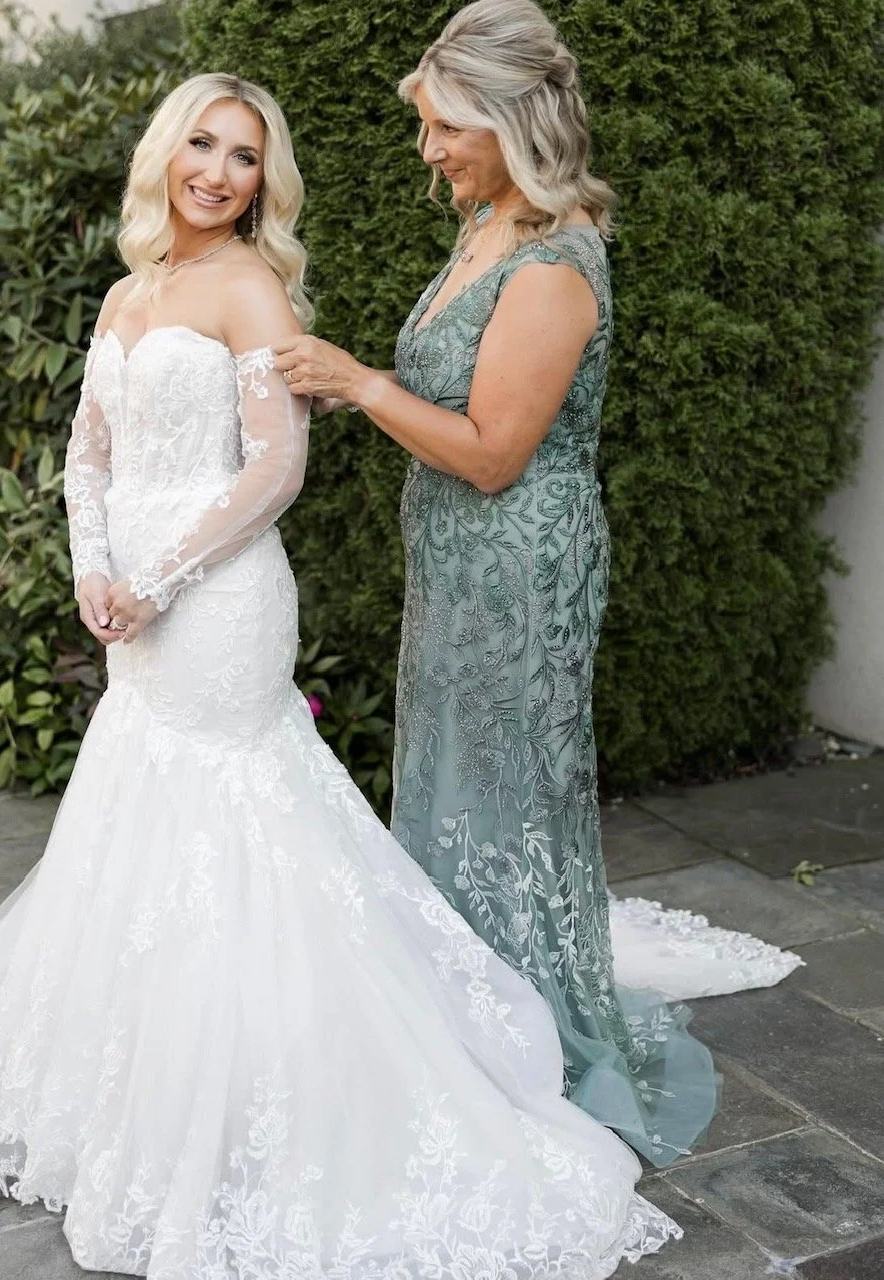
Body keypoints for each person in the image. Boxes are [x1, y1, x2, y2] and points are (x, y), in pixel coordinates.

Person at [0, 72, 683, 1276]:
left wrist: (154, 580)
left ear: (266, 182)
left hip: (215, 603)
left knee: (237, 822)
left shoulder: (251, 287)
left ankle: (275, 1085)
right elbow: (85, 451)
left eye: (245, 157)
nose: (217, 171)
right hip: (135, 607)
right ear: (165, 153)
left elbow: (275, 466)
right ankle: (149, 1070)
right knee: (146, 816)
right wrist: (91, 570)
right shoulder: (127, 290)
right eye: (201, 145)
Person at [276, 0, 796, 1167]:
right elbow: (445, 402)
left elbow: (495, 450)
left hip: (521, 568)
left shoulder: (560, 257)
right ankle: (458, 1006)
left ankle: (530, 1024)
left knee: (510, 791)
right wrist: (331, 388)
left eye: (443, 128)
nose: (428, 150)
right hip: (455, 559)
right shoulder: (484, 231)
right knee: (450, 772)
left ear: (509, 121)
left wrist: (359, 383)